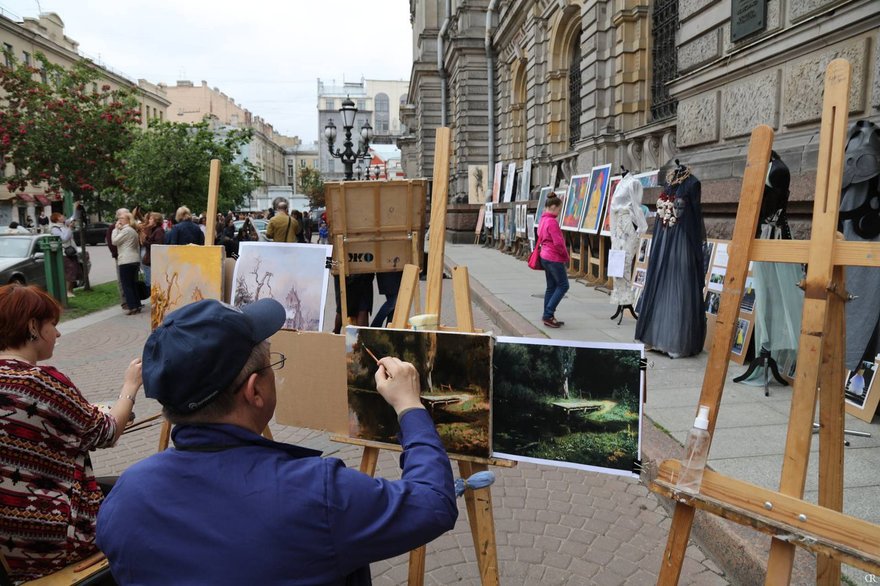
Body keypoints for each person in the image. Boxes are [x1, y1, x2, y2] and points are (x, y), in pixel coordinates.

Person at [96, 299, 457, 584]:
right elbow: (432, 504)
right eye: (273, 364)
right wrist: (409, 405)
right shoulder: (315, 493)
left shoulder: (126, 497)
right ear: (255, 391)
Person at [0, 284, 141, 583]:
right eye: (53, 325)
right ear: (33, 327)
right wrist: (130, 385)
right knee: (140, 493)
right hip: (47, 538)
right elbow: (108, 432)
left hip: (8, 539)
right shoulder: (41, 382)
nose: (59, 334)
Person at [536, 195, 570, 328]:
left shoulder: (543, 220)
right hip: (553, 258)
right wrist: (565, 256)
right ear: (553, 207)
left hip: (544, 256)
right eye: (559, 210)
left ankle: (548, 315)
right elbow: (559, 243)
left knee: (551, 287)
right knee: (563, 285)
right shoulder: (552, 222)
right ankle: (548, 314)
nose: (559, 213)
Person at [112, 211, 143, 315]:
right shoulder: (133, 230)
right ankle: (137, 305)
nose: (119, 220)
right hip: (134, 260)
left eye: (121, 219)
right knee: (133, 284)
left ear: (128, 220)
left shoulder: (126, 230)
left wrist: (115, 229)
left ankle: (132, 307)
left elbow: (114, 241)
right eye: (119, 218)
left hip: (126, 260)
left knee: (127, 285)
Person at [48, 212, 81, 298]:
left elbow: (73, 218)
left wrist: (76, 207)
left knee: (74, 270)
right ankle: (67, 291)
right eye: (61, 216)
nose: (63, 217)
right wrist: (70, 229)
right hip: (64, 253)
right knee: (70, 270)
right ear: (57, 218)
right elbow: (64, 239)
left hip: (72, 251)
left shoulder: (64, 224)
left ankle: (71, 290)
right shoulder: (55, 228)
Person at [140, 212, 165, 290]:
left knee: (150, 284)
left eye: (151, 219)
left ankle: (153, 301)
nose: (149, 220)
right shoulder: (154, 230)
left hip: (151, 261)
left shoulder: (159, 231)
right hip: (148, 261)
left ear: (156, 221)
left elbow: (157, 245)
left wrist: (145, 242)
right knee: (150, 283)